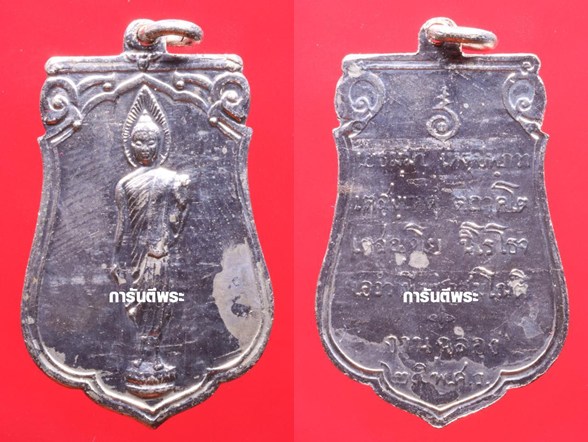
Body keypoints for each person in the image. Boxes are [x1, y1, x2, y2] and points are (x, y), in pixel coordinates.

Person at [111, 109, 190, 372]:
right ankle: (142, 354)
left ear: (160, 143)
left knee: (158, 303)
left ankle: (153, 355)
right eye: (138, 141)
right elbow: (122, 225)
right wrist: (115, 259)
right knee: (139, 305)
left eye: (150, 141)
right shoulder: (125, 184)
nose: (144, 148)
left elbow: (177, 219)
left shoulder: (169, 179)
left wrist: (182, 198)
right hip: (136, 255)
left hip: (157, 254)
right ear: (130, 145)